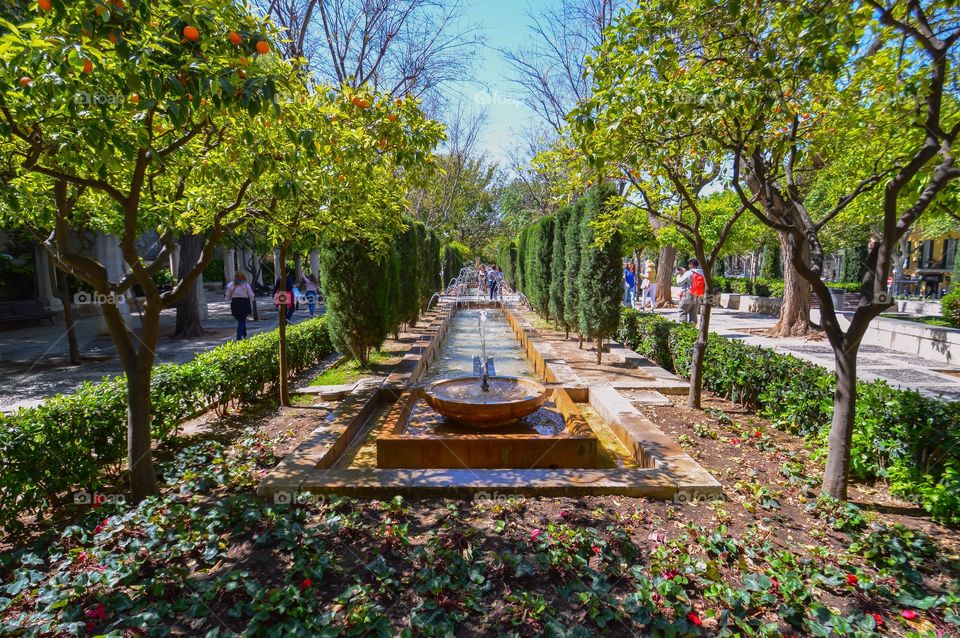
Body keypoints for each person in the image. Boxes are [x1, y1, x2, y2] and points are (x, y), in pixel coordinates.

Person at [225, 272, 255, 340]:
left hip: (235, 303)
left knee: (240, 320)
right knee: (242, 320)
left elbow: (228, 295)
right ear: (244, 277)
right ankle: (241, 335)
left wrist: (227, 299)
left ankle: (242, 334)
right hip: (244, 303)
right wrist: (252, 301)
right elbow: (251, 295)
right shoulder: (246, 285)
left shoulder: (230, 285)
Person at [676, 259, 706, 323]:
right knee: (693, 314)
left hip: (688, 293)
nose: (688, 265)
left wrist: (678, 274)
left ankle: (683, 330)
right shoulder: (703, 273)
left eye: (689, 264)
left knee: (683, 312)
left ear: (691, 265)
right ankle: (692, 330)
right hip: (699, 294)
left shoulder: (689, 272)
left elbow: (679, 282)